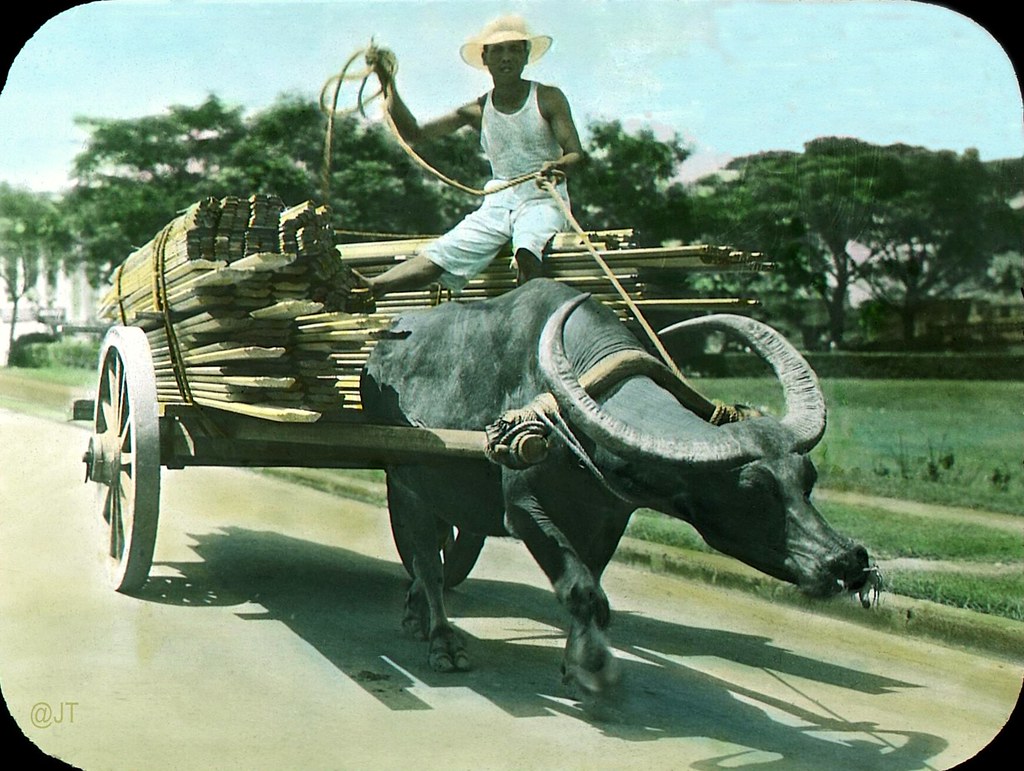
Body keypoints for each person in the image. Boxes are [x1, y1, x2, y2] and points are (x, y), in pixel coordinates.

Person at [347, 15, 585, 312]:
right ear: (485, 58)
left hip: (542, 200)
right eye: (497, 51)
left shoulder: (548, 98)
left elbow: (576, 153)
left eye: (514, 49)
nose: (506, 57)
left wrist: (557, 166)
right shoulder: (477, 109)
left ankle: (526, 320)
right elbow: (415, 133)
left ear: (525, 55)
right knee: (445, 250)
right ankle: (372, 287)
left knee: (527, 249)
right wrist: (386, 79)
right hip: (498, 202)